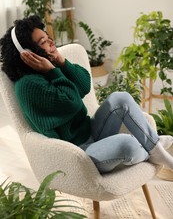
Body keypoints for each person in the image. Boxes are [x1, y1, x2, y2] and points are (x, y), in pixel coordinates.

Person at [0, 15, 173, 173]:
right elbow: (72, 101)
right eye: (44, 41)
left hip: (90, 132)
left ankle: (154, 149)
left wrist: (61, 62)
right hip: (77, 154)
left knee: (121, 98)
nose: (51, 42)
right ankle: (152, 147)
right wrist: (53, 70)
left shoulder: (49, 67)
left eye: (48, 37)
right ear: (28, 54)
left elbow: (84, 86)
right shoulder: (29, 85)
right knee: (129, 145)